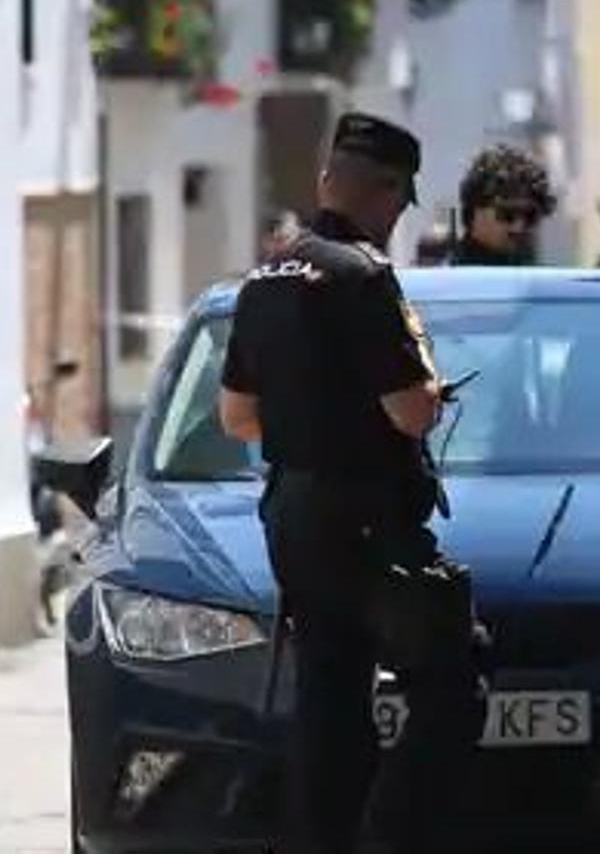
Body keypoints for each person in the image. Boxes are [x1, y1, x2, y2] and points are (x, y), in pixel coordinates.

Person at [218, 112, 483, 854]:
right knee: (450, 692)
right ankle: (389, 837)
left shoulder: (265, 275)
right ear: (390, 195)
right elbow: (410, 413)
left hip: (292, 516)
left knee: (329, 696)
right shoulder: (363, 276)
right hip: (365, 517)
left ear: (325, 181)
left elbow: (236, 416)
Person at [450, 143, 557, 266]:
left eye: (530, 217)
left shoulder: (535, 279)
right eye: (507, 214)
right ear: (474, 213)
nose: (518, 228)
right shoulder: (448, 280)